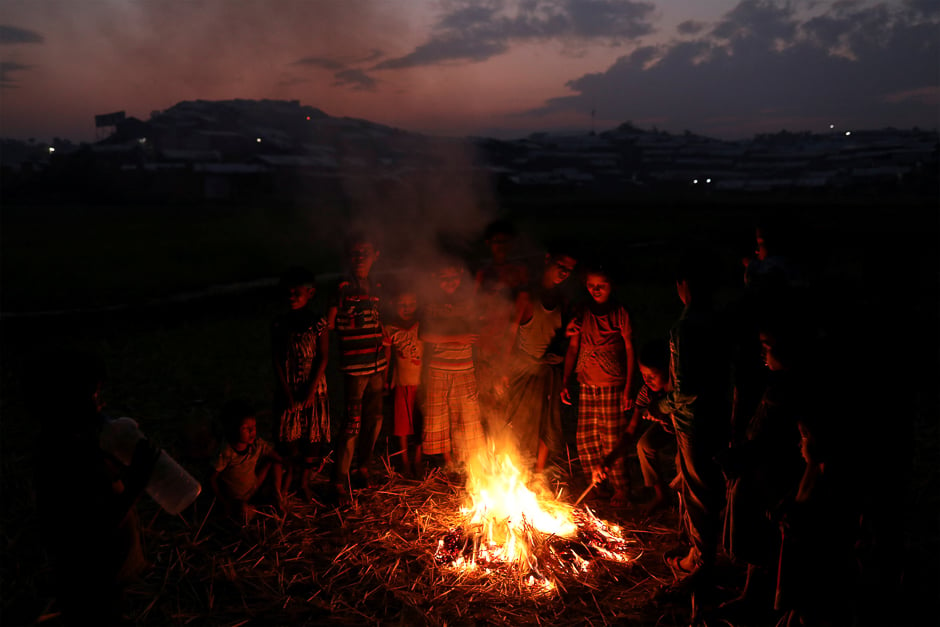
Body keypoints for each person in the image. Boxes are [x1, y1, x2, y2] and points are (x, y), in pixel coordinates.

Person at [33, 351, 160, 625]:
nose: (100, 404)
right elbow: (93, 525)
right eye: (93, 394)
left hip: (107, 575)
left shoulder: (82, 443)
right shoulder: (62, 456)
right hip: (91, 578)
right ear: (64, 401)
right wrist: (136, 482)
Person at [717, 314, 808, 623]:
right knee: (755, 536)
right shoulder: (775, 384)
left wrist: (744, 456)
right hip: (758, 472)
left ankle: (762, 600)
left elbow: (777, 440)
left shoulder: (792, 391)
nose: (762, 352)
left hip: (774, 477)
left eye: (767, 346)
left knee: (765, 538)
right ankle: (752, 593)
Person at [657, 247, 733, 595]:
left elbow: (686, 389)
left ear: (683, 284)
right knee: (705, 488)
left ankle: (703, 564)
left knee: (699, 491)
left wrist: (663, 406)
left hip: (693, 422)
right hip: (720, 415)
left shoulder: (685, 328)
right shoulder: (720, 319)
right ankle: (696, 552)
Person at [562, 262, 637, 508]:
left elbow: (629, 348)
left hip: (611, 382)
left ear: (610, 286)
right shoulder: (582, 310)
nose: (596, 290)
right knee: (585, 439)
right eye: (592, 285)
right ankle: (596, 485)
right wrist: (565, 380)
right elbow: (573, 346)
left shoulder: (619, 312)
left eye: (601, 286)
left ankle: (621, 488)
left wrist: (629, 387)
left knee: (612, 438)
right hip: (586, 382)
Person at [499, 242, 577, 476]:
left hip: (548, 370)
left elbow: (560, 337)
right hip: (524, 368)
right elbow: (510, 333)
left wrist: (564, 344)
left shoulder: (562, 299)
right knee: (521, 422)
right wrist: (503, 370)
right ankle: (516, 471)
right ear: (548, 260)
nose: (563, 272)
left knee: (548, 424)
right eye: (560, 265)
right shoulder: (528, 296)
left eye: (569, 269)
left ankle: (538, 474)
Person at [326, 231, 390, 502]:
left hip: (377, 365)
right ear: (348, 257)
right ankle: (339, 479)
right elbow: (329, 325)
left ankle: (362, 466)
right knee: (352, 423)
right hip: (354, 367)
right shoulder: (342, 287)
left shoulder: (376, 287)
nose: (361, 258)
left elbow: (380, 323)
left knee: (374, 420)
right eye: (355, 253)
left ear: (376, 256)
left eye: (366, 252)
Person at [592, 337, 676, 514]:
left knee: (682, 462)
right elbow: (631, 431)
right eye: (643, 375)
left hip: (685, 429)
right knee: (644, 445)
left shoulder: (676, 390)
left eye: (652, 376)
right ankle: (661, 496)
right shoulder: (646, 393)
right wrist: (609, 459)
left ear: (667, 370)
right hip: (667, 428)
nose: (647, 380)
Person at [419, 255, 487, 471]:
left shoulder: (467, 302)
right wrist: (456, 339)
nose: (450, 282)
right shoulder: (432, 304)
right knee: (440, 416)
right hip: (439, 368)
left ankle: (465, 461)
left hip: (465, 367)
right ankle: (448, 462)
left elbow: (476, 331)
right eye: (444, 278)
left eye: (454, 278)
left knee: (466, 415)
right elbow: (425, 335)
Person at [271, 266, 330, 502]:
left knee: (312, 439)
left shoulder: (318, 323)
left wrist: (311, 390)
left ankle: (304, 483)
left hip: (314, 388)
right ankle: (287, 482)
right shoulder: (279, 324)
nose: (292, 296)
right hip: (289, 386)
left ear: (310, 294)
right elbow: (276, 359)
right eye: (289, 292)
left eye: (298, 292)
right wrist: (286, 391)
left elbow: (323, 356)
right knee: (289, 439)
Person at [474, 219, 530, 433]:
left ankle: (506, 441)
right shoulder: (483, 272)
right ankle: (486, 443)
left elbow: (522, 306)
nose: (501, 246)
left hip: (510, 341)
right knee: (485, 393)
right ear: (489, 243)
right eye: (497, 242)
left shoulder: (519, 271)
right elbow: (475, 305)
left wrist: (511, 333)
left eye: (505, 242)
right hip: (486, 341)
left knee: (506, 391)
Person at [209, 399, 285, 523]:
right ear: (232, 429)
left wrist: (294, 463)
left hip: (254, 486)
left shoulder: (256, 444)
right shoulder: (226, 452)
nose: (252, 432)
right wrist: (224, 502)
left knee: (274, 461)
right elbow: (212, 478)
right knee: (242, 512)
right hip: (237, 499)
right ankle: (254, 512)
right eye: (246, 428)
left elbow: (276, 456)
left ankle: (277, 496)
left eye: (254, 427)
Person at [384, 284, 425, 477]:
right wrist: (386, 379)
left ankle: (417, 459)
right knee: (401, 424)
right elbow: (387, 357)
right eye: (402, 304)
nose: (407, 307)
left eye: (411, 303)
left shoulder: (421, 326)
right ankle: (404, 461)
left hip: (420, 383)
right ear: (394, 304)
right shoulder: (390, 329)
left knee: (419, 422)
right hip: (401, 383)